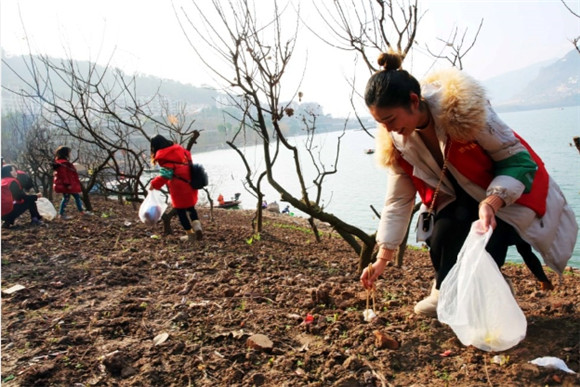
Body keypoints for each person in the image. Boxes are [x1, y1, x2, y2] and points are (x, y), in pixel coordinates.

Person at [360, 52, 577, 316]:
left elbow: (519, 161)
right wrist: (383, 257)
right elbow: (398, 200)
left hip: (505, 197)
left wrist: (492, 201)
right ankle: (444, 292)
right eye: (381, 123)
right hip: (456, 201)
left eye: (391, 120)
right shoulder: (398, 142)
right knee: (441, 238)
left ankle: (492, 294)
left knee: (485, 240)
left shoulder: (464, 112)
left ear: (414, 101)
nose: (389, 129)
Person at [149, 134, 203, 241]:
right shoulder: (180, 150)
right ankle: (197, 226)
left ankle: (190, 235)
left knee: (181, 211)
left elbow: (165, 175)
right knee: (191, 207)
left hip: (178, 186)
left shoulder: (164, 156)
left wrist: (153, 184)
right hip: (190, 181)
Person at [53, 146, 90, 219]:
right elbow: (64, 175)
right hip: (67, 185)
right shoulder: (63, 164)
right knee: (66, 198)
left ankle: (81, 211)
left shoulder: (61, 163)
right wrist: (67, 184)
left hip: (68, 184)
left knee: (76, 197)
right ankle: (61, 214)